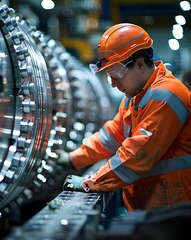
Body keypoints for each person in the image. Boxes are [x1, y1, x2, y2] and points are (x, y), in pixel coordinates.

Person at [56, 23, 191, 211]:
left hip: (172, 208)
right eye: (110, 76)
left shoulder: (167, 95)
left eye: (117, 74)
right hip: (151, 206)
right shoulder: (135, 98)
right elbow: (110, 137)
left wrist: (92, 182)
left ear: (140, 65)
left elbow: (138, 154)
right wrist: (73, 158)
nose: (113, 84)